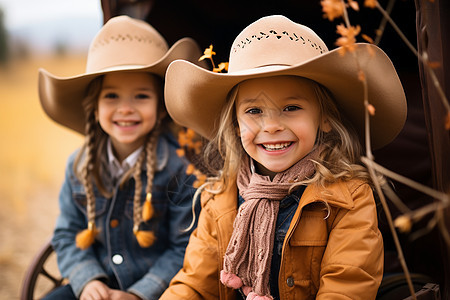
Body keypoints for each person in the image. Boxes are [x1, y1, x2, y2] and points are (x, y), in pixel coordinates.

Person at [160, 15, 407, 300]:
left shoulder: (347, 199)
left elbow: (347, 288)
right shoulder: (220, 199)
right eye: (254, 111)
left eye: (291, 107)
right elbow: (193, 286)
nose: (271, 126)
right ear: (235, 125)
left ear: (324, 118)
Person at [38, 15, 204, 300]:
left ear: (162, 107)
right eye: (112, 96)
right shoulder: (79, 167)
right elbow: (67, 235)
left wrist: (140, 293)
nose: (125, 109)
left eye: (141, 96)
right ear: (94, 107)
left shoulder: (179, 167)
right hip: (97, 284)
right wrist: (88, 280)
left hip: (160, 289)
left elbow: (185, 246)